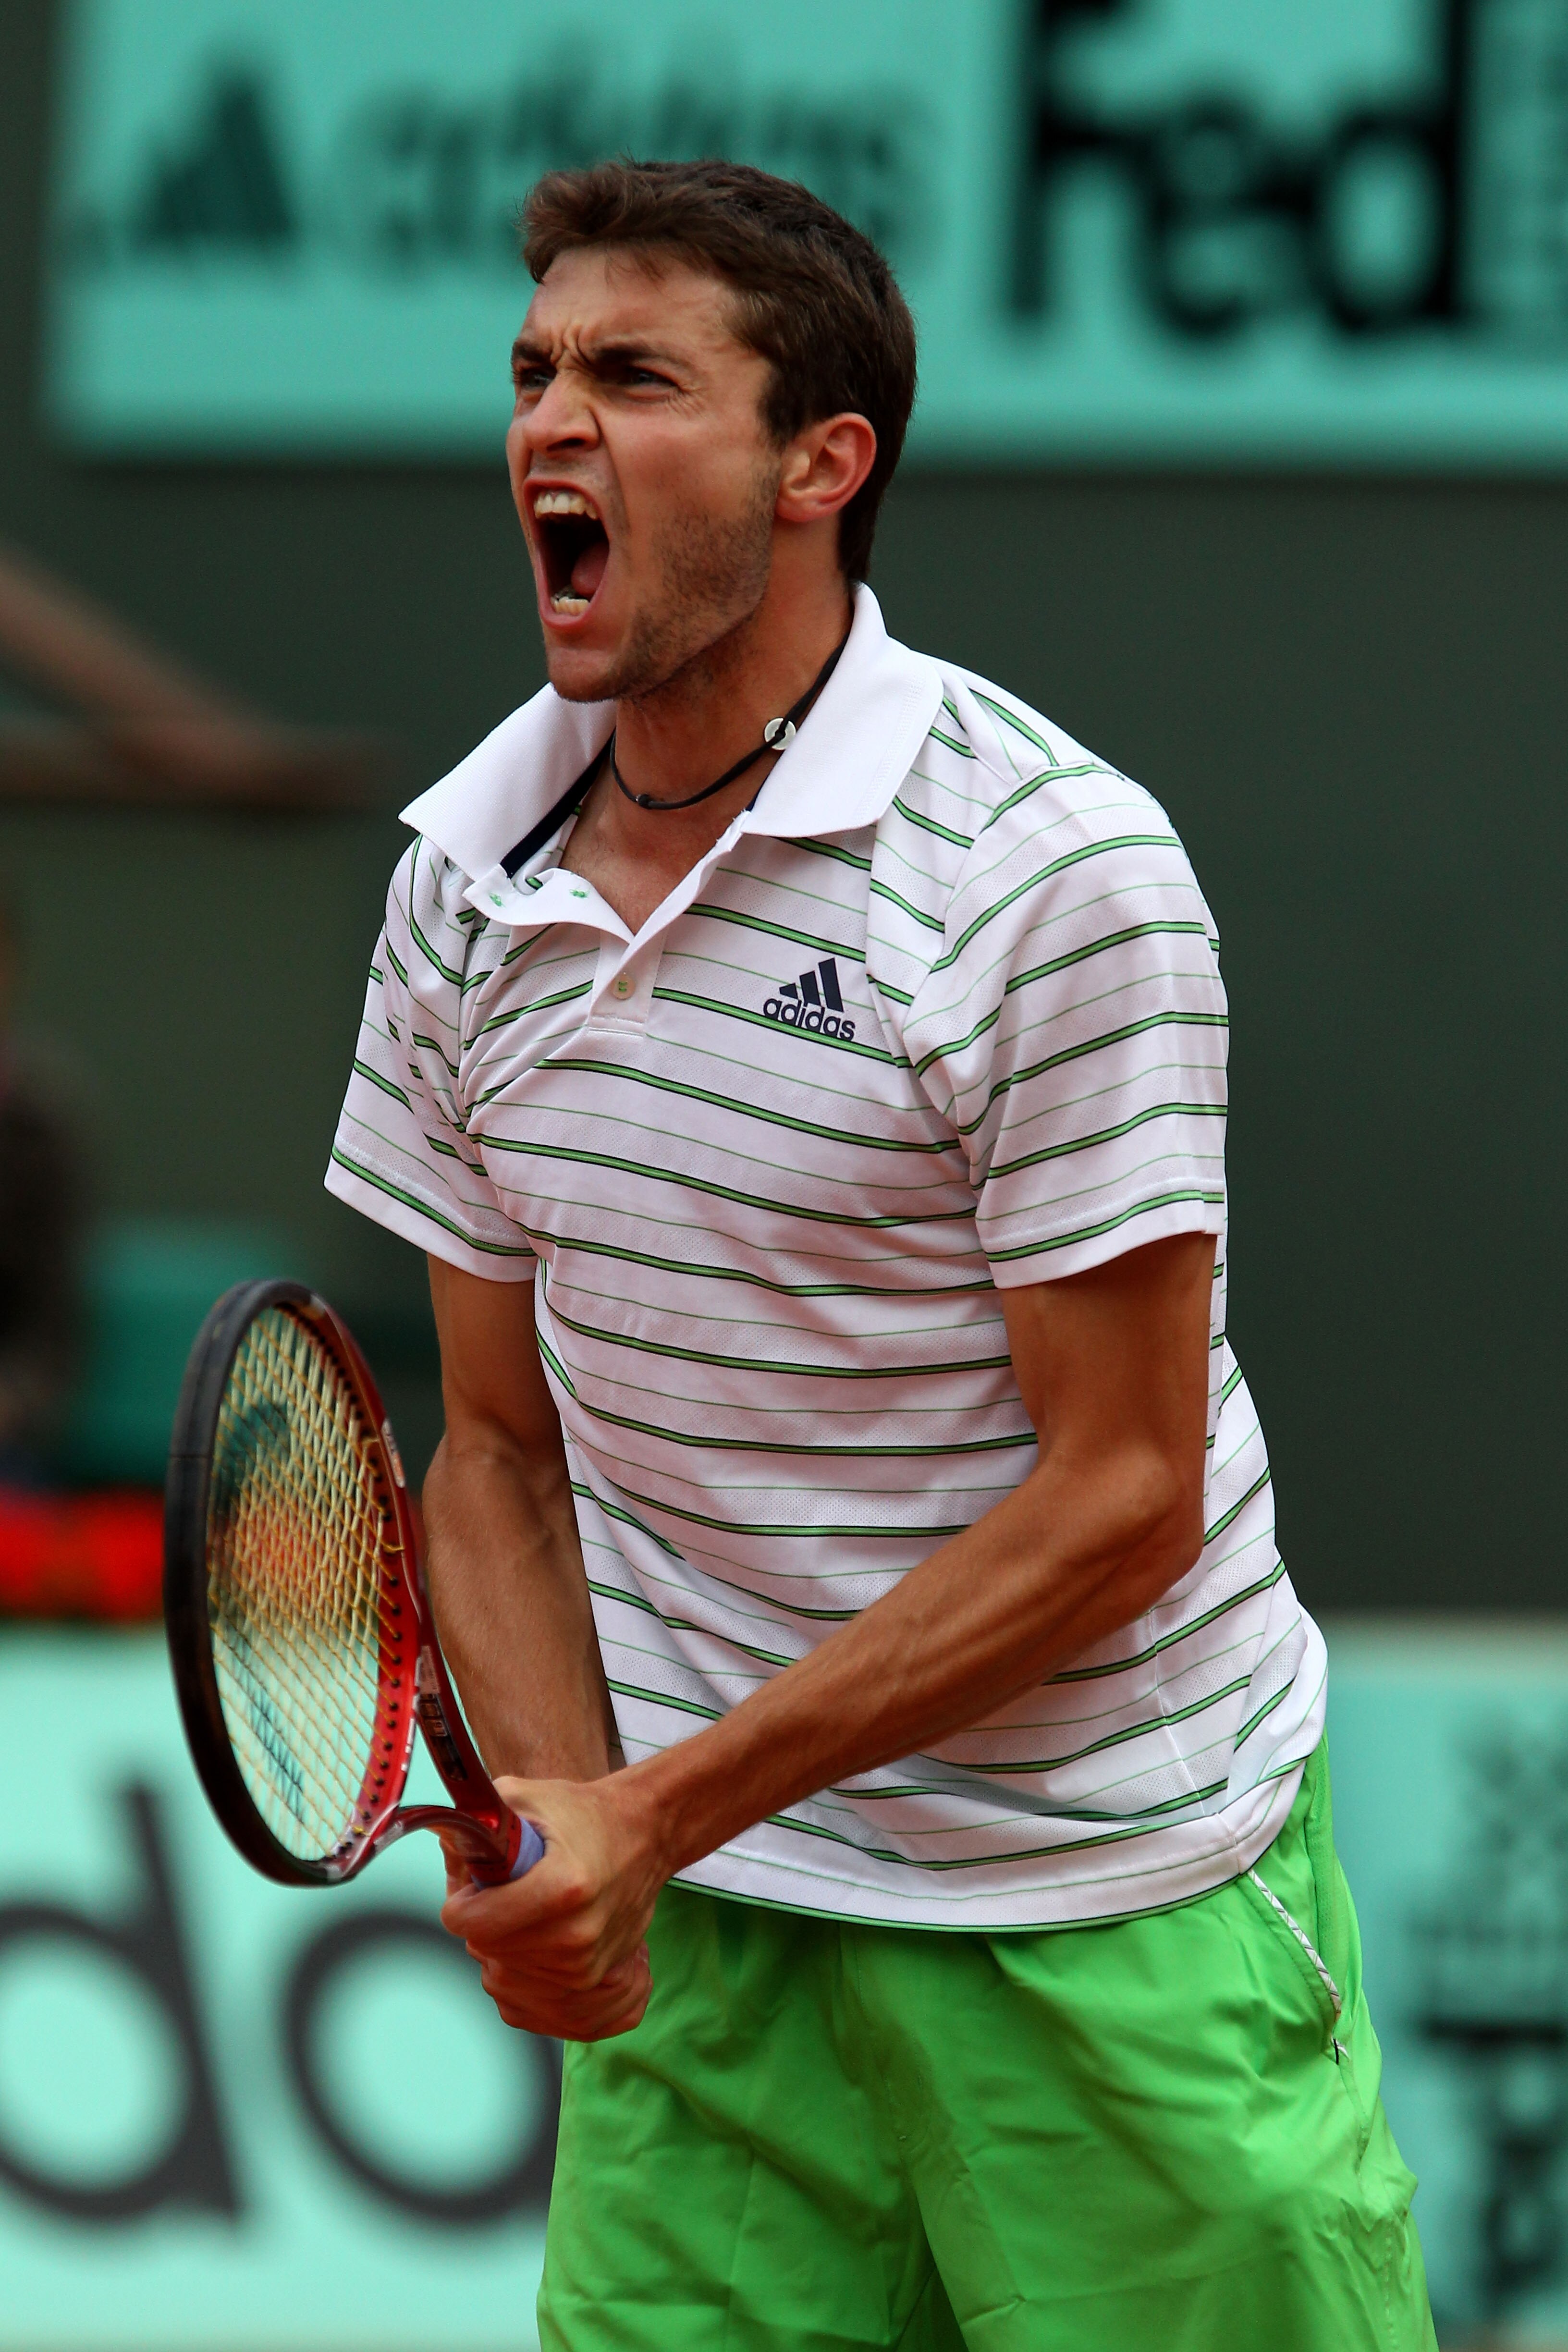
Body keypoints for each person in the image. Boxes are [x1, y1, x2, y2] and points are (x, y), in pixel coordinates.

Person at [327, 159, 1435, 2351]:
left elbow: (1124, 1493)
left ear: (820, 464)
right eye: (535, 371)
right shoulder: (458, 892)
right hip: (721, 1942)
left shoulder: (1048, 872)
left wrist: (651, 1811)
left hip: (1101, 1906)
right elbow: (499, 1452)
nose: (553, 421)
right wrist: (570, 1820)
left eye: (637, 377)